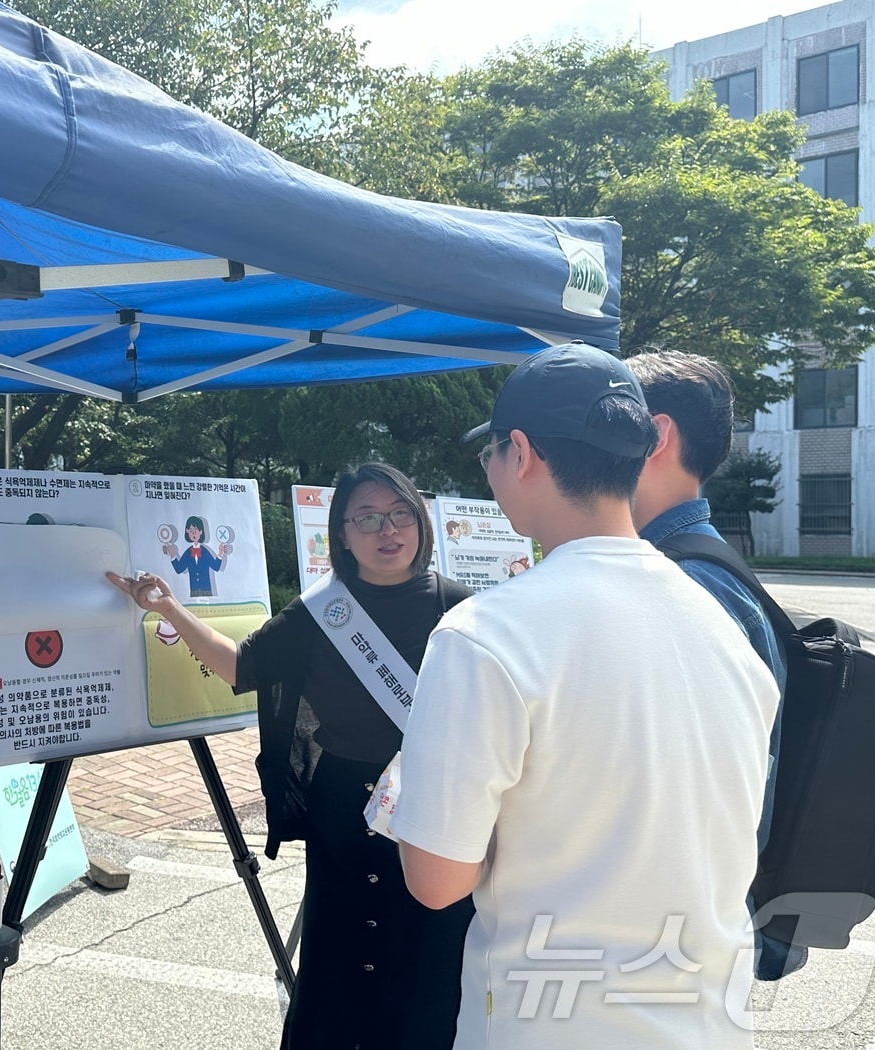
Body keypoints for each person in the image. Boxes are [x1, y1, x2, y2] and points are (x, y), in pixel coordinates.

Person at [392, 344, 779, 1049]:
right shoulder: (725, 630)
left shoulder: (484, 635)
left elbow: (437, 880)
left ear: (521, 452)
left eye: (490, 455)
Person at [109, 463, 475, 1050]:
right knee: (339, 951)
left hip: (431, 804)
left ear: (420, 520)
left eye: (400, 512)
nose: (388, 529)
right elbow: (240, 666)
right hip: (344, 807)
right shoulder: (321, 612)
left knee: (428, 951)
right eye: (368, 517)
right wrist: (169, 609)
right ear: (343, 534)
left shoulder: (462, 609)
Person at [625, 348, 802, 980]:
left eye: (609, 419)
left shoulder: (686, 582)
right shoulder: (694, 563)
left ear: (655, 436)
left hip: (677, 928)